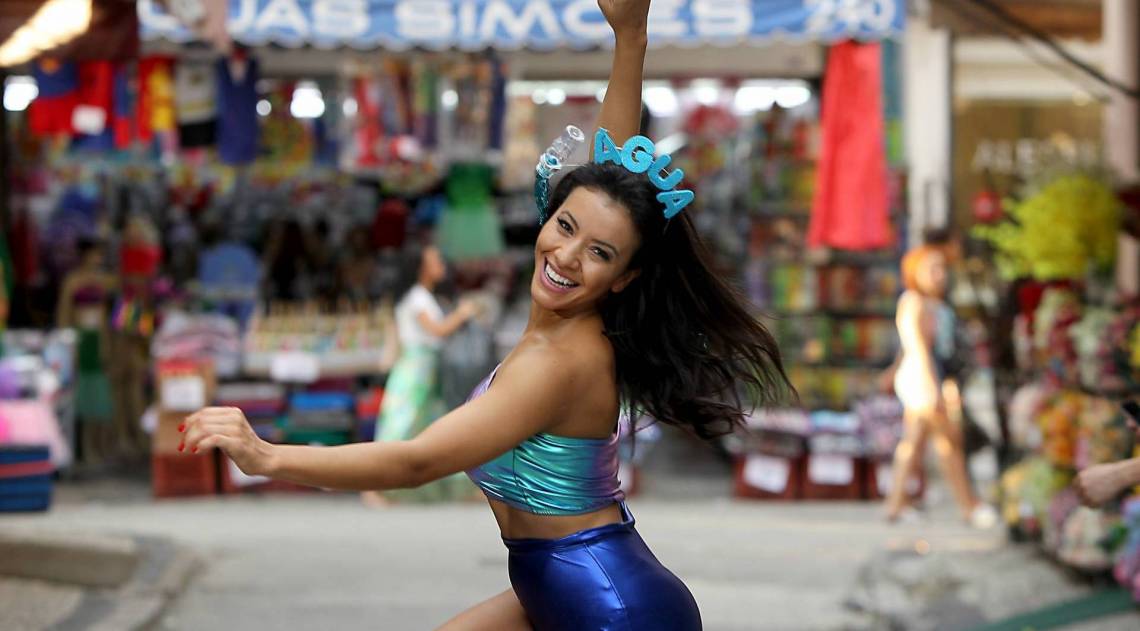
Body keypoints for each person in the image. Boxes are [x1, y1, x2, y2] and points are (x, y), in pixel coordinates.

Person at [179, 2, 790, 628]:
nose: (567, 256)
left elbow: (417, 462)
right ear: (549, 215)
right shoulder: (572, 323)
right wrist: (630, 37)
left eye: (599, 253)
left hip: (612, 607)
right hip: (555, 588)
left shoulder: (560, 362)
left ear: (624, 276)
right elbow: (609, 174)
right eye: (566, 226)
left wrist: (269, 456)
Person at [360, 244, 480, 507]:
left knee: (432, 427)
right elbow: (437, 330)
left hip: (424, 368)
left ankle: (455, 487)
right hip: (416, 369)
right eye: (435, 260)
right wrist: (461, 315)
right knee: (403, 425)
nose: (441, 265)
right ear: (422, 268)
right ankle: (375, 484)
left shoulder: (422, 296)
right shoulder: (417, 297)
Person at [885, 244, 997, 528]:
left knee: (914, 445)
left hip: (925, 379)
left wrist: (893, 372)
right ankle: (969, 506)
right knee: (948, 445)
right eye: (932, 269)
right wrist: (933, 387)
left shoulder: (932, 304)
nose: (940, 274)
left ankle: (896, 503)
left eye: (942, 268)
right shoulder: (915, 303)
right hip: (923, 380)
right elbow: (918, 347)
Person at [57, 238, 118, 463]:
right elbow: (64, 312)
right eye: (95, 254)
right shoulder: (73, 280)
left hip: (99, 338)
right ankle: (86, 447)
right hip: (81, 339)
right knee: (82, 393)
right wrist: (67, 343)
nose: (98, 258)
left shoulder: (105, 280)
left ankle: (102, 445)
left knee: (101, 394)